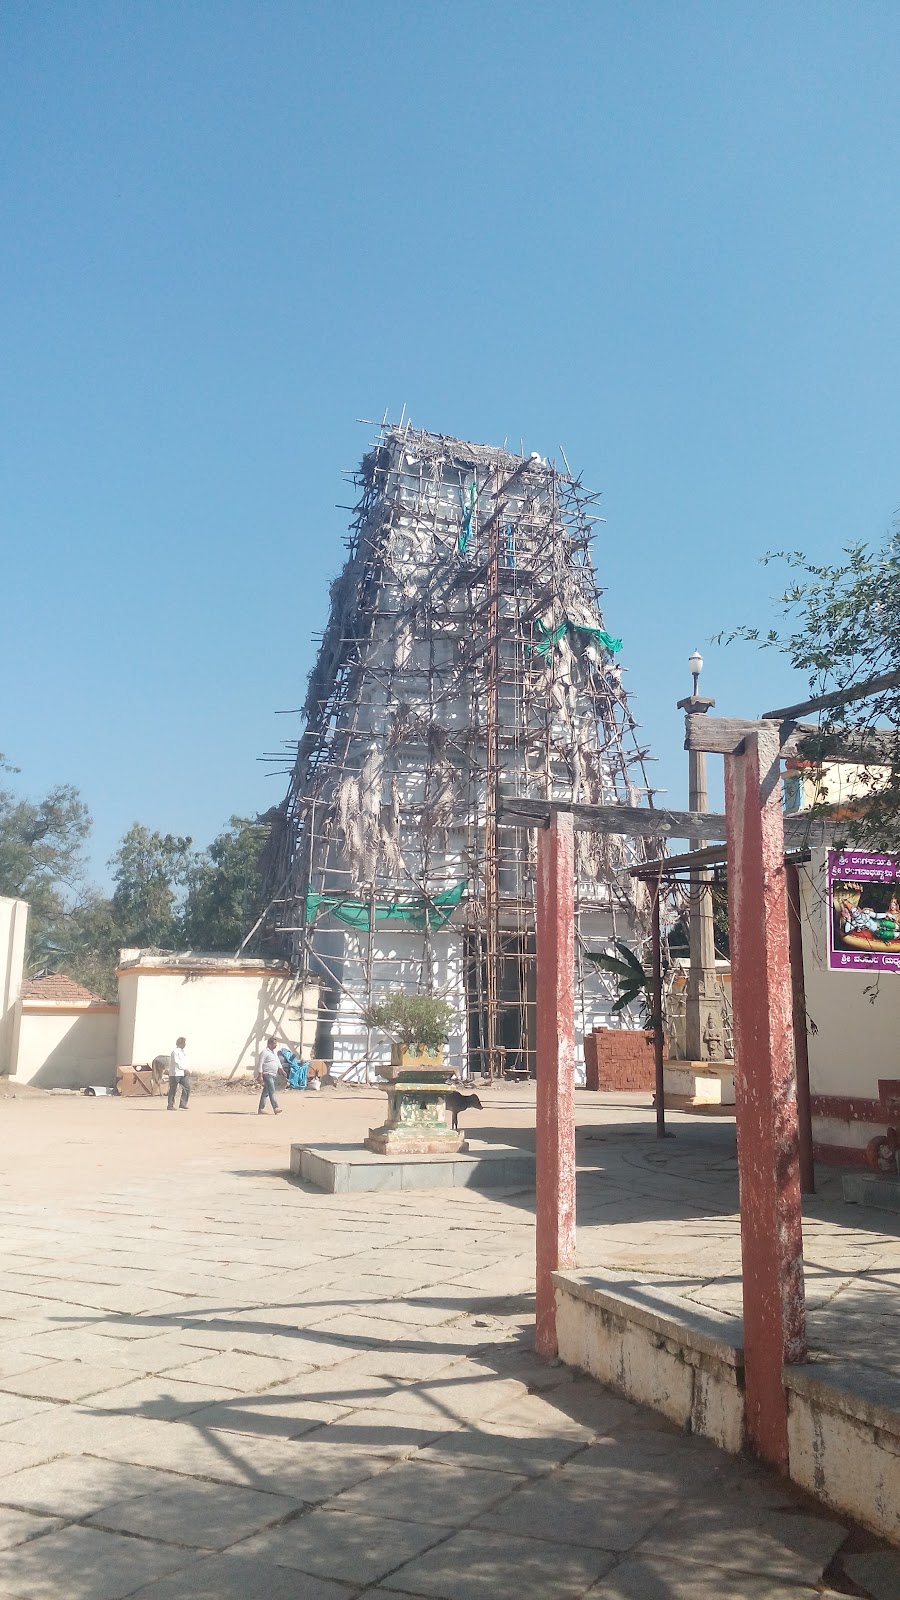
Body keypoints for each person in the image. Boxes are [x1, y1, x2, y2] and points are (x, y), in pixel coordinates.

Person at [256, 1036, 283, 1115]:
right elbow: (260, 1064)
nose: (275, 1045)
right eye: (274, 1043)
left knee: (265, 1093)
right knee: (272, 1090)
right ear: (270, 1043)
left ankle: (261, 1109)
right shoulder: (264, 1052)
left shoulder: (274, 1053)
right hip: (267, 1074)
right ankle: (276, 1107)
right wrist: (260, 1075)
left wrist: (282, 1070)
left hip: (273, 1074)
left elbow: (277, 1062)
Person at [167, 1037, 190, 1110]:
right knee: (173, 1089)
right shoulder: (175, 1052)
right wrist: (183, 1069)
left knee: (187, 1087)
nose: (185, 1044)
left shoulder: (183, 1052)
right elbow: (177, 1062)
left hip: (183, 1073)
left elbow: (184, 1062)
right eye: (183, 1043)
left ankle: (183, 1103)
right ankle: (170, 1105)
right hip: (175, 1073)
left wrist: (187, 1070)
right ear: (180, 1043)